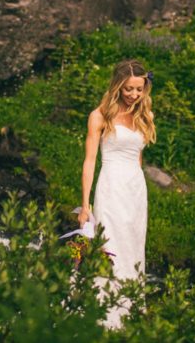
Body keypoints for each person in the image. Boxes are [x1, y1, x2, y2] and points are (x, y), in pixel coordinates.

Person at [79, 59, 155, 283]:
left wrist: (136, 190)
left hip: (136, 190)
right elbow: (90, 161)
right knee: (110, 242)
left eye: (139, 89)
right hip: (111, 186)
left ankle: (129, 303)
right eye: (128, 88)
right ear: (117, 86)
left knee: (133, 241)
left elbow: (137, 157)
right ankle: (102, 305)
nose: (133, 94)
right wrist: (85, 205)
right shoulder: (100, 116)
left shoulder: (145, 117)